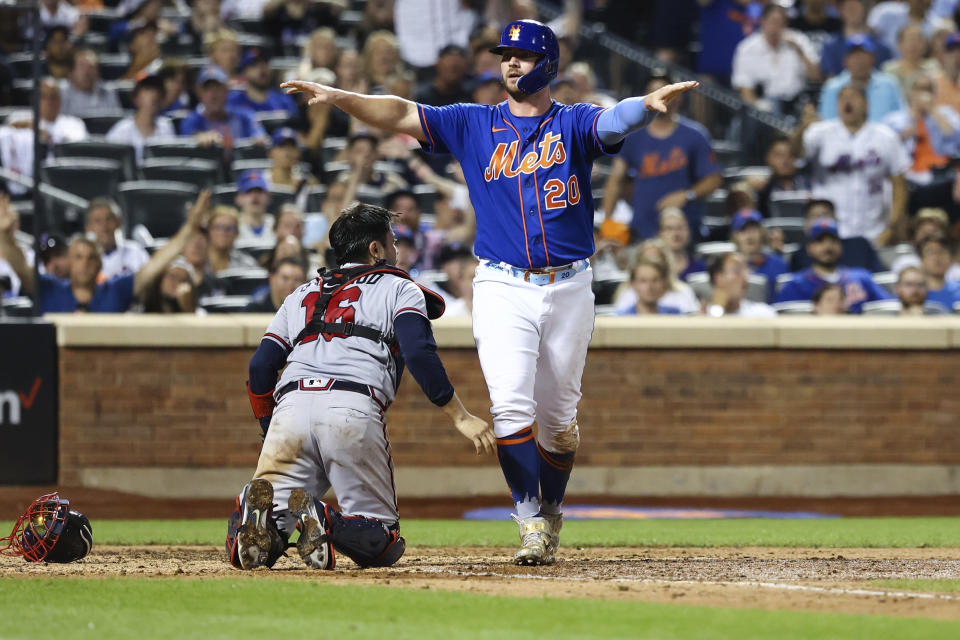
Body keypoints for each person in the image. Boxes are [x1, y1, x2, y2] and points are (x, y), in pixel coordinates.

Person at [282, 18, 697, 566]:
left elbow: (613, 120)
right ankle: (530, 521)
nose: (510, 63)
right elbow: (402, 112)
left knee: (560, 424)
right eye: (505, 55)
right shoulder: (473, 122)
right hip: (502, 283)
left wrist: (644, 104)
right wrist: (341, 97)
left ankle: (550, 508)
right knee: (509, 408)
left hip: (570, 284)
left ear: (547, 64)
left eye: (522, 56)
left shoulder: (572, 122)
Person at [227, 202, 494, 571]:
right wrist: (458, 415)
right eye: (393, 242)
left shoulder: (302, 292)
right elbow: (419, 352)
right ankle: (325, 520)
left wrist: (267, 427)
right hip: (351, 406)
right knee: (384, 540)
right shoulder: (400, 288)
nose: (397, 250)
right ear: (376, 249)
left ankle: (256, 521)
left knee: (267, 544)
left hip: (289, 407)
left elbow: (260, 368)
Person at [0, 190, 213, 313]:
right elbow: (20, 267)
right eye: (78, 257)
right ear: (68, 263)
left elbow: (155, 266)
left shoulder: (115, 291)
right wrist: (4, 235)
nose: (85, 263)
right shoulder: (50, 289)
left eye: (91, 258)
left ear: (100, 264)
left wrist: (189, 229)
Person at [602, 73, 722, 243]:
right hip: (642, 232)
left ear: (677, 98)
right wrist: (607, 221)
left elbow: (714, 179)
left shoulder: (695, 135)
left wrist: (687, 195)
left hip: (684, 232)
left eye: (665, 91)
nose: (659, 96)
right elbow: (615, 179)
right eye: (653, 92)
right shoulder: (633, 136)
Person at [798, 85, 910, 245]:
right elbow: (794, 156)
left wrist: (892, 227)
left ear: (867, 104)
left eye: (853, 97)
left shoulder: (886, 136)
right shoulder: (819, 133)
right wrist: (802, 127)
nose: (847, 101)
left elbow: (899, 185)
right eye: (842, 98)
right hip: (827, 232)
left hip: (874, 230)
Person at [777, 218, 894, 313]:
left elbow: (890, 306)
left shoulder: (862, 278)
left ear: (841, 246)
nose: (828, 246)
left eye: (833, 240)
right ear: (809, 248)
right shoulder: (796, 284)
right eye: (820, 241)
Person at [732, 4, 821, 113]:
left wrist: (799, 51)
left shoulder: (798, 41)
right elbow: (745, 89)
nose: (775, 28)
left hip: (797, 103)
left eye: (781, 23)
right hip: (763, 107)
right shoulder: (747, 48)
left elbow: (816, 76)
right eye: (772, 22)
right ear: (762, 22)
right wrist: (758, 105)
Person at [883, 73, 960, 184]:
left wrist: (934, 111)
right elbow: (884, 147)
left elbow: (956, 138)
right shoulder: (894, 119)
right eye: (919, 89)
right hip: (909, 175)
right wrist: (908, 127)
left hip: (945, 171)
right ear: (909, 93)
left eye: (928, 89)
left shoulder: (946, 113)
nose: (923, 94)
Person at [819, 35, 905, 122]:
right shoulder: (833, 86)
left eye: (863, 55)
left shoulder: (889, 84)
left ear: (873, 58)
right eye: (854, 56)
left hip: (884, 133)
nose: (859, 61)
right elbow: (827, 120)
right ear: (845, 60)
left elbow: (900, 116)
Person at [179, 67, 267, 148]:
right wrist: (199, 137)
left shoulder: (245, 116)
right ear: (199, 93)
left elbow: (260, 136)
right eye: (207, 89)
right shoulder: (191, 121)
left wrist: (258, 140)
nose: (213, 95)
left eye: (217, 88)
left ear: (226, 90)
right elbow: (189, 136)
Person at [788, 199, 885, 272]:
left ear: (836, 219)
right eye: (815, 216)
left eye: (825, 214)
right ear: (805, 225)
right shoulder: (799, 255)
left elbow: (881, 278)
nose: (821, 220)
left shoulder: (860, 245)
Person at [105, 73, 176, 165]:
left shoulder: (166, 127)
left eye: (158, 90)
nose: (154, 95)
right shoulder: (121, 130)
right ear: (136, 97)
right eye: (148, 89)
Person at [821, 0, 895, 78]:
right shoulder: (830, 46)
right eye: (849, 8)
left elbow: (885, 76)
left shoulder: (881, 47)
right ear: (840, 11)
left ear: (864, 9)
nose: (852, 11)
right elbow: (830, 77)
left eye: (856, 7)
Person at [730, 209, 788, 301]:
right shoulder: (729, 266)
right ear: (735, 236)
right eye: (743, 230)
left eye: (754, 230)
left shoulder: (779, 264)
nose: (749, 236)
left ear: (762, 233)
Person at [84, 197, 149, 280]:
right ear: (88, 227)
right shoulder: (83, 258)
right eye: (97, 221)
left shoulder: (136, 252)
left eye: (109, 219)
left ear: (119, 222)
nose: (104, 225)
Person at [227, 48, 298, 117]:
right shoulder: (233, 102)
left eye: (265, 62)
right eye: (254, 65)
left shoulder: (283, 100)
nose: (262, 68)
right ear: (243, 72)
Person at [705, 252, 777, 317]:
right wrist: (717, 308)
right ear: (718, 278)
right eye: (737, 271)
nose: (744, 277)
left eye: (745, 271)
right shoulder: (702, 316)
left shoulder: (763, 313)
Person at [754, 136, 811, 217]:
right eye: (779, 155)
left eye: (791, 155)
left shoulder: (810, 185)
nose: (785, 160)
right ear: (768, 158)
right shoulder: (761, 188)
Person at [59, 48, 121, 117]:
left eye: (91, 67)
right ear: (72, 71)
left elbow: (115, 120)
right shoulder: (62, 93)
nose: (86, 72)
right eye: (82, 66)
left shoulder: (108, 91)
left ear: (97, 71)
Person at [617, 258, 684, 315]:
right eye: (643, 281)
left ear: (663, 283)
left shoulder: (675, 314)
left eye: (655, 280)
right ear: (633, 284)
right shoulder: (621, 318)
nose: (649, 287)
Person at [206, 205, 260, 274]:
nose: (223, 232)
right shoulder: (197, 259)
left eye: (229, 228)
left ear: (237, 233)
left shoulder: (247, 264)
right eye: (218, 227)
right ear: (209, 230)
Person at [657, 208, 704, 281]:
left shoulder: (701, 268)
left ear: (688, 232)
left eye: (680, 228)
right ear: (660, 234)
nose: (676, 234)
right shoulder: (654, 269)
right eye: (669, 228)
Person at [918, 233, 960, 309]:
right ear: (921, 260)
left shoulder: (958, 289)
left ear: (951, 259)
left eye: (942, 251)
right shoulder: (913, 293)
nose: (937, 257)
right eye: (930, 252)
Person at [235, 170, 275, 242]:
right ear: (239, 198)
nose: (254, 196)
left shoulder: (277, 225)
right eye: (249, 191)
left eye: (259, 191)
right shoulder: (231, 226)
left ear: (269, 197)